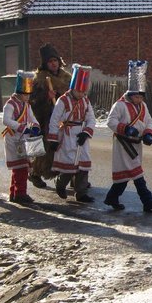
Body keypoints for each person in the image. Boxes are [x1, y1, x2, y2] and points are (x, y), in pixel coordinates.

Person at [104, 60, 152, 212]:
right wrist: (125, 129)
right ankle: (147, 202)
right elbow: (110, 121)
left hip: (136, 144)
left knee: (128, 174)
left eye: (142, 97)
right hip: (123, 145)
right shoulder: (120, 105)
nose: (140, 100)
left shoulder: (143, 106)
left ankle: (112, 198)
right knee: (136, 174)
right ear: (131, 94)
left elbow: (148, 121)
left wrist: (148, 134)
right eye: (137, 97)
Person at [47, 63, 96, 203]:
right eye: (79, 91)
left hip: (81, 134)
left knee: (83, 165)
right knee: (69, 166)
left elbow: (91, 119)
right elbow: (54, 120)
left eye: (83, 91)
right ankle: (60, 184)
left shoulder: (85, 101)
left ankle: (81, 193)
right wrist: (54, 139)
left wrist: (86, 133)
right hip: (67, 134)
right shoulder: (63, 100)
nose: (81, 94)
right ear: (73, 88)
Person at [29, 43, 72, 189]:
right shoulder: (39, 80)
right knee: (45, 150)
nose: (53, 64)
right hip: (45, 118)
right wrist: (45, 97)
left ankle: (71, 174)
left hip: (64, 118)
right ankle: (35, 173)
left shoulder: (67, 78)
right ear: (45, 64)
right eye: (50, 61)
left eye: (55, 60)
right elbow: (32, 101)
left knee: (68, 146)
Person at [2, 70, 41, 204]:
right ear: (19, 92)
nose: (28, 97)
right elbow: (6, 120)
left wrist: (35, 127)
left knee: (21, 167)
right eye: (26, 94)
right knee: (20, 168)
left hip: (23, 138)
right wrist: (23, 127)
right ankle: (20, 193)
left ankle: (14, 193)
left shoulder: (26, 105)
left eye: (29, 94)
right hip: (14, 139)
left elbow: (32, 118)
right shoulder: (10, 104)